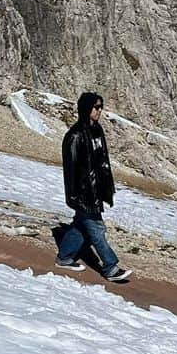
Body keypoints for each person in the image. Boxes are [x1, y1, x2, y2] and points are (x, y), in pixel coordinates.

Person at [55, 91, 131, 283]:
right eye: (96, 107)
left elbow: (102, 161)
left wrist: (107, 187)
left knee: (81, 226)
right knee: (97, 229)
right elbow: (70, 169)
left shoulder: (97, 131)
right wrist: (74, 195)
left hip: (96, 190)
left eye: (100, 107)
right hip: (83, 194)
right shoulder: (75, 135)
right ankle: (110, 267)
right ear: (86, 108)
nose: (99, 111)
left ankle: (64, 258)